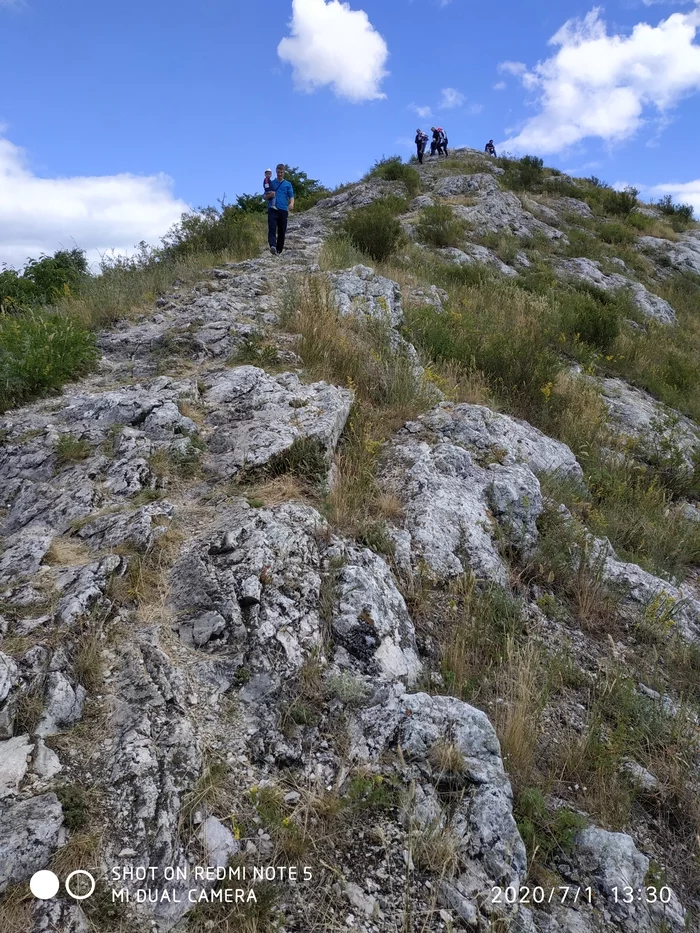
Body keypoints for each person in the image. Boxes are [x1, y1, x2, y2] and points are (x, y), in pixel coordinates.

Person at [267, 164, 294, 255]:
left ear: (284, 172)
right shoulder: (271, 183)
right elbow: (264, 196)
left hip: (283, 210)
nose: (280, 174)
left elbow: (291, 196)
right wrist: (269, 196)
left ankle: (279, 250)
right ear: (276, 172)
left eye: (281, 172)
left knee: (282, 231)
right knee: (272, 228)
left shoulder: (288, 184)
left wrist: (291, 203)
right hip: (272, 209)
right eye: (278, 172)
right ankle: (272, 246)